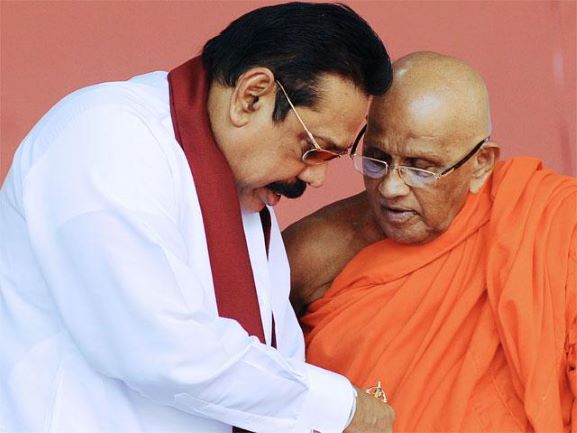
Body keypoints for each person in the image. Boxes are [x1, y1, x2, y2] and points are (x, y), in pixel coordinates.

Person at [0, 3, 396, 433]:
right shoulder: (105, 135)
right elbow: (158, 345)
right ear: (252, 96)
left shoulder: (246, 195)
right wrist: (338, 407)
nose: (317, 178)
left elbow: (274, 358)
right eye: (312, 149)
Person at [283, 52, 576, 432]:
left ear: (482, 164)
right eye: (376, 160)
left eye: (420, 168)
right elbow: (252, 376)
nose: (390, 187)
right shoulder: (317, 250)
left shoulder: (554, 224)